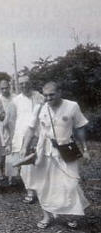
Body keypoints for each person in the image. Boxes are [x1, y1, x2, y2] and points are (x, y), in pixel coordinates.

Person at [19, 82, 90, 229]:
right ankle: (46, 216)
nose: (48, 98)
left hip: (66, 151)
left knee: (70, 184)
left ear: (60, 92)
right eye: (45, 95)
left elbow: (80, 126)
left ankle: (70, 215)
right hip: (44, 151)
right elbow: (31, 129)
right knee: (43, 185)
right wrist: (24, 147)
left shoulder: (72, 106)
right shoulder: (40, 107)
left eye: (51, 94)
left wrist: (85, 149)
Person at [12, 73, 44, 203]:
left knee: (40, 162)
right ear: (18, 85)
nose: (24, 85)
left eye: (26, 83)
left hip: (38, 134)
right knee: (25, 165)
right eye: (21, 84)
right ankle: (30, 191)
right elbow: (12, 120)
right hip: (21, 135)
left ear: (31, 83)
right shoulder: (16, 100)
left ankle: (42, 191)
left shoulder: (40, 97)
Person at [0, 80, 17, 185]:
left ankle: (11, 175)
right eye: (2, 88)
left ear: (9, 87)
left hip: (14, 127)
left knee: (12, 151)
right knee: (2, 152)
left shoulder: (15, 98)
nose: (4, 90)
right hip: (2, 128)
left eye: (6, 88)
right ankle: (0, 171)